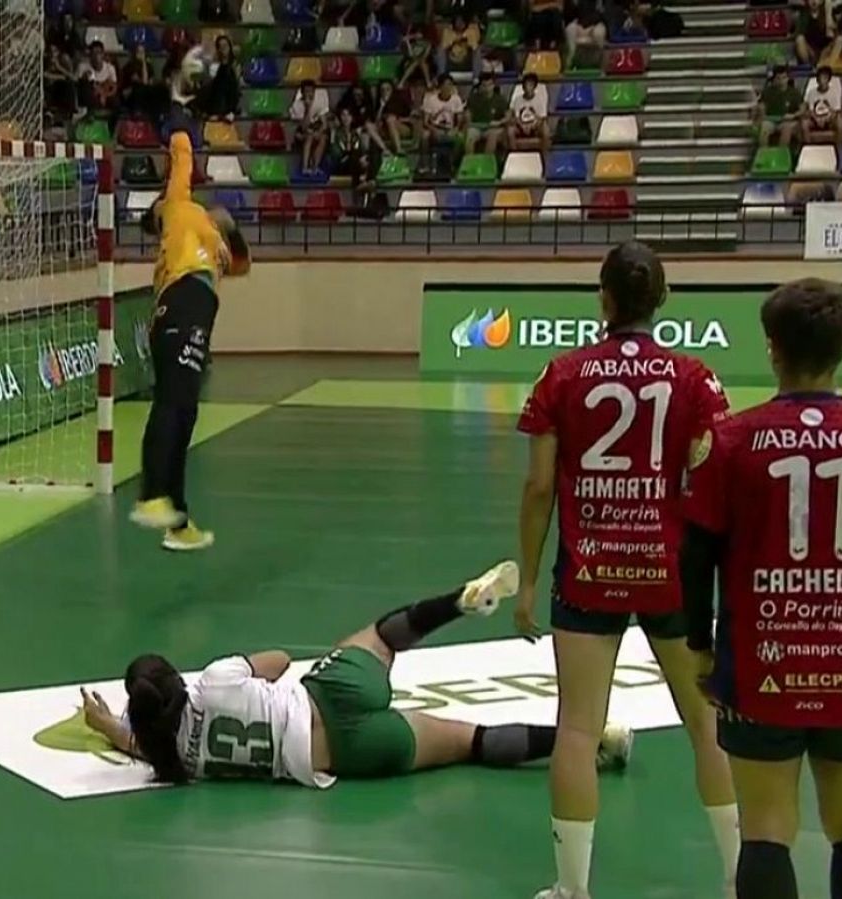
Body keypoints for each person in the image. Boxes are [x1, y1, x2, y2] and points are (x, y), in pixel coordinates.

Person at [681, 279, 842, 899]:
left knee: (765, 833)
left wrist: (701, 644)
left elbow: (696, 553)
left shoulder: (731, 443)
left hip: (762, 665)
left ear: (772, 349)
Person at [516, 242, 740, 899]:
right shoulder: (696, 379)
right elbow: (712, 482)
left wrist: (528, 578)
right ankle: (737, 878)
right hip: (671, 574)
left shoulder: (562, 374)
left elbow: (537, 488)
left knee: (579, 729)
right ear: (662, 300)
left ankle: (573, 888)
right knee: (708, 726)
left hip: (588, 572)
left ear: (603, 298)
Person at [82, 561, 635, 787]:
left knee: (472, 742)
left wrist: (107, 727)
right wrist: (248, 675)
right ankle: (458, 603)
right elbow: (276, 661)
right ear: (176, 681)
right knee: (382, 636)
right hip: (328, 693)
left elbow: (140, 744)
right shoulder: (213, 682)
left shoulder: (177, 759)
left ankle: (596, 744)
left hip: (347, 754)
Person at [131, 50, 250, 551]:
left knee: (187, 414)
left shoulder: (216, 241)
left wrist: (231, 230)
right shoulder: (179, 209)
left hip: (199, 312)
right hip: (179, 303)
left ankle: (178, 522)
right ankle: (151, 495)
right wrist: (179, 103)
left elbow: (242, 265)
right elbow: (181, 153)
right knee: (173, 402)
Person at [289, 79, 332, 173]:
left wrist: (319, 132)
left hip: (316, 129)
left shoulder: (319, 102)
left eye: (311, 91)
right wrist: (308, 109)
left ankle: (315, 167)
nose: (310, 94)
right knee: (309, 137)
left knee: (323, 138)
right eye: (307, 91)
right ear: (302, 93)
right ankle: (305, 168)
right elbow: (303, 127)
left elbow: (324, 124)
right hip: (301, 133)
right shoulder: (297, 105)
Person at [754, 65, 800, 149]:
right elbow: (761, 105)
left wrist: (794, 115)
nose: (781, 81)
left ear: (788, 78)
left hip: (786, 121)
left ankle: (781, 154)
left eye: (784, 78)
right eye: (779, 78)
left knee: (787, 128)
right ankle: (764, 153)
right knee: (764, 127)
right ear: (774, 79)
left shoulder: (794, 92)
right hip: (770, 120)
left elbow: (803, 108)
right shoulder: (768, 91)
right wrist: (761, 114)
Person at [506, 71, 552, 154]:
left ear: (534, 87)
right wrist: (522, 126)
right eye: (527, 85)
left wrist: (532, 125)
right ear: (523, 87)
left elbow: (542, 118)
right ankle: (514, 154)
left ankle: (544, 156)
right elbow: (517, 117)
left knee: (546, 131)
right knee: (510, 130)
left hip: (535, 126)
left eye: (531, 85)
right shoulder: (518, 100)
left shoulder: (539, 100)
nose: (528, 87)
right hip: (521, 126)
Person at [801, 65, 842, 149]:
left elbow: (836, 111)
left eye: (825, 78)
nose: (822, 80)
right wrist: (817, 119)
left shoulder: (834, 93)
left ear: (828, 79)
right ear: (817, 80)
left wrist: (826, 119)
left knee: (840, 123)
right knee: (804, 123)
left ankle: (839, 150)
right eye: (820, 78)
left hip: (830, 119)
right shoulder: (812, 93)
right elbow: (811, 111)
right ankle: (808, 148)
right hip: (815, 119)